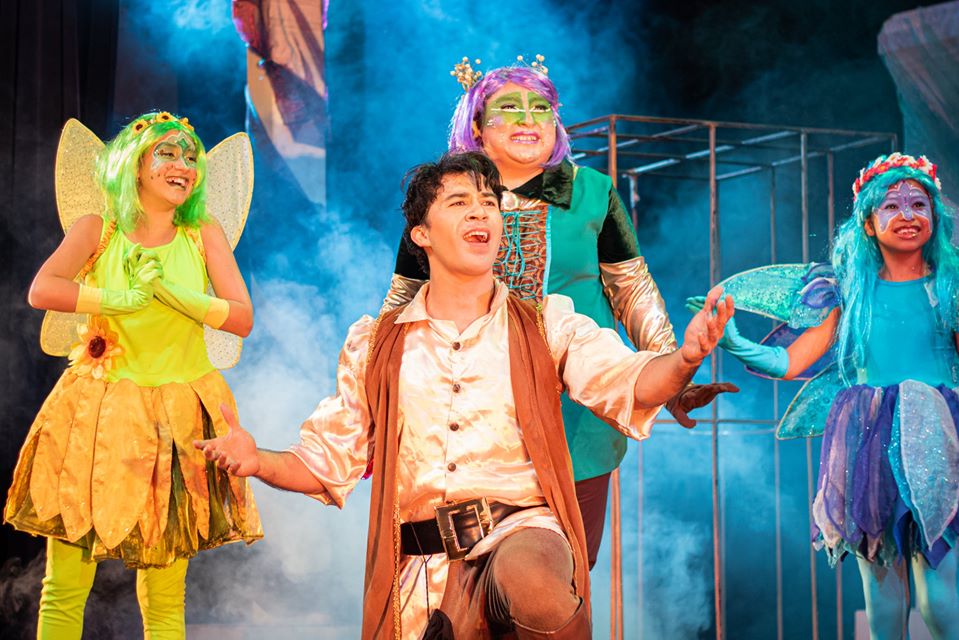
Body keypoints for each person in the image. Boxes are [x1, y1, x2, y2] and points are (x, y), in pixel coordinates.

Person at [196, 151, 733, 639]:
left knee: (534, 584)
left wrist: (684, 358)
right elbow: (326, 463)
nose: (481, 213)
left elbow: (628, 380)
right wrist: (257, 460)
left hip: (521, 531)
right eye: (459, 203)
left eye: (489, 204)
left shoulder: (546, 323)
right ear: (421, 234)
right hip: (420, 574)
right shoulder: (376, 344)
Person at [382, 59, 736, 568]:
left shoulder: (592, 192)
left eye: (542, 108)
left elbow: (632, 289)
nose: (529, 119)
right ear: (477, 126)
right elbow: (403, 302)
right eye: (510, 108)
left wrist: (672, 373)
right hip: (468, 409)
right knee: (463, 572)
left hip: (576, 416)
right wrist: (378, 398)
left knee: (562, 575)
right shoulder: (444, 199)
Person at [4, 112, 262, 639]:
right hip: (96, 415)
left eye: (190, 157)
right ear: (135, 165)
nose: (183, 165)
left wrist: (176, 296)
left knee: (165, 594)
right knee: (64, 586)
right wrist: (117, 299)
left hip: (176, 416)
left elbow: (241, 317)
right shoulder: (98, 228)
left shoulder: (202, 233)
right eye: (167, 153)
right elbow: (43, 289)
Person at [689, 153, 959, 639]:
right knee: (882, 593)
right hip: (872, 441)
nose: (907, 215)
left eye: (919, 204)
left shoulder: (950, 288)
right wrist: (737, 342)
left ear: (935, 218)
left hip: (938, 434)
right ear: (868, 224)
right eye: (891, 206)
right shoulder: (848, 293)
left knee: (941, 586)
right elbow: (791, 361)